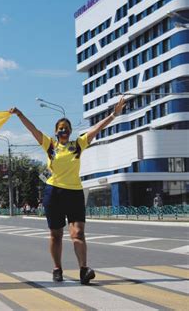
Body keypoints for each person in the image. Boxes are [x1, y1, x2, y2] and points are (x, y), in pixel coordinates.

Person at [10, 96, 125, 285]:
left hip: (74, 193)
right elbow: (33, 131)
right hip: (53, 193)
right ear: (56, 132)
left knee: (78, 233)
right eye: (60, 128)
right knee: (56, 235)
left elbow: (97, 129)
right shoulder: (50, 145)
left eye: (66, 128)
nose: (63, 131)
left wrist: (113, 114)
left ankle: (83, 270)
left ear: (70, 132)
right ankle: (57, 268)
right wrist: (20, 115)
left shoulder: (78, 144)